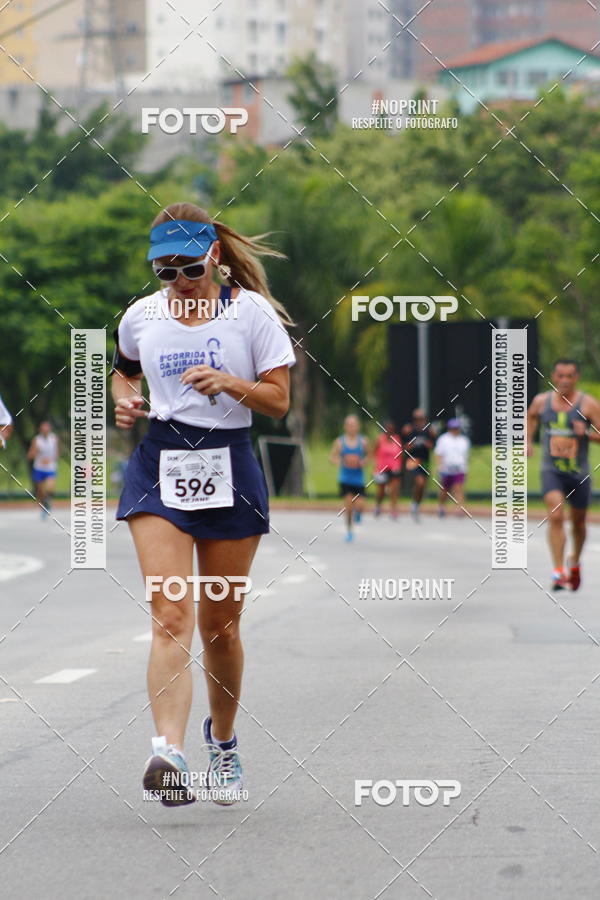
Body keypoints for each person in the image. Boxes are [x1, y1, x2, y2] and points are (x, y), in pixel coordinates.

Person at [111, 202, 295, 806]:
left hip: (229, 462)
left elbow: (277, 401)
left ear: (214, 255)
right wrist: (125, 400)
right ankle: (168, 751)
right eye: (165, 271)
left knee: (220, 624)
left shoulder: (251, 315)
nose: (179, 282)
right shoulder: (140, 317)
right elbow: (123, 373)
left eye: (188, 267)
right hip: (161, 463)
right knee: (169, 614)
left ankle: (223, 740)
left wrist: (230, 382)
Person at [527, 358, 600, 591]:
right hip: (552, 470)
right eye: (560, 376)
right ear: (554, 376)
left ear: (576, 377)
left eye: (570, 376)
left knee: (578, 523)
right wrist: (528, 442)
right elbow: (530, 418)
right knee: (556, 516)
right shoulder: (541, 402)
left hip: (578, 473)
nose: (565, 381)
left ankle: (574, 561)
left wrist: (587, 433)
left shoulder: (588, 404)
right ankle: (558, 570)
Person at [329, 414, 369, 542]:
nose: (352, 428)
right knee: (349, 507)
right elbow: (332, 457)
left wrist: (363, 462)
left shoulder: (363, 442)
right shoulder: (340, 442)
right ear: (345, 427)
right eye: (349, 425)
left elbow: (370, 455)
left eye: (354, 425)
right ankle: (350, 531)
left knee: (361, 506)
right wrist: (342, 462)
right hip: (345, 479)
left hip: (358, 479)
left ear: (358, 427)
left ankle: (358, 513)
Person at [401, 408, 436, 522]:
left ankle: (416, 504)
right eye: (417, 419)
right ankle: (414, 501)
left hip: (424, 461)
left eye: (421, 418)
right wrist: (411, 445)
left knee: (422, 485)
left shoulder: (428, 431)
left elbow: (432, 445)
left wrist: (428, 443)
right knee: (419, 481)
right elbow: (404, 447)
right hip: (413, 460)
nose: (419, 421)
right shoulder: (409, 430)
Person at [434, 418, 470, 517]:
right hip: (446, 468)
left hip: (459, 468)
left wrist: (465, 467)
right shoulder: (443, 439)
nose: (455, 430)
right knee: (444, 490)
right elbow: (438, 453)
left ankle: (459, 508)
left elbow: (465, 455)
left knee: (458, 488)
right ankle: (441, 506)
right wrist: (440, 465)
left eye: (457, 428)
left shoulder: (463, 440)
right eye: (453, 428)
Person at [27, 420, 59, 518]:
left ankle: (48, 501)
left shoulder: (54, 438)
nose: (45, 430)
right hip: (39, 468)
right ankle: (44, 507)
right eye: (43, 428)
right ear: (40, 430)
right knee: (40, 491)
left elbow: (57, 453)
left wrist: (51, 460)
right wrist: (36, 452)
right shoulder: (36, 440)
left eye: (47, 428)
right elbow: (30, 455)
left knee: (50, 487)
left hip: (50, 468)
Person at [372, 420, 402, 519]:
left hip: (394, 468)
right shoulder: (379, 439)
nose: (389, 431)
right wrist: (375, 466)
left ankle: (393, 510)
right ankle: (378, 505)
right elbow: (374, 452)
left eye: (391, 429)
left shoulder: (397, 439)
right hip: (382, 468)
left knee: (394, 489)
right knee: (381, 491)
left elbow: (400, 453)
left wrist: (399, 466)